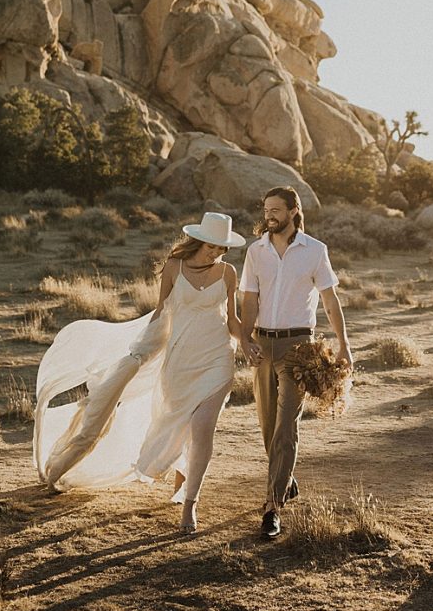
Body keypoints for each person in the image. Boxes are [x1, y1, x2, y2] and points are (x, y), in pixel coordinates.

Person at [33, 212, 253, 533]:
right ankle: (180, 486)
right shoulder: (175, 268)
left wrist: (248, 342)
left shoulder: (228, 273)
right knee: (180, 424)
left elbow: (231, 320)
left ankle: (189, 503)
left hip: (217, 357)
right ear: (200, 240)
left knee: (202, 427)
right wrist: (139, 355)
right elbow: (160, 314)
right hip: (180, 360)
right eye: (213, 246)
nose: (217, 253)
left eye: (222, 248)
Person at [240, 186, 352, 540]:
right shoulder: (255, 251)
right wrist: (244, 339)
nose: (269, 216)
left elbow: (330, 301)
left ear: (293, 211)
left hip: (298, 347)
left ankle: (272, 506)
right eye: (266, 210)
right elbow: (248, 299)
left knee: (286, 425)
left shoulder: (315, 251)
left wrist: (344, 345)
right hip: (262, 343)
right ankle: (285, 478)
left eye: (275, 210)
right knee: (268, 425)